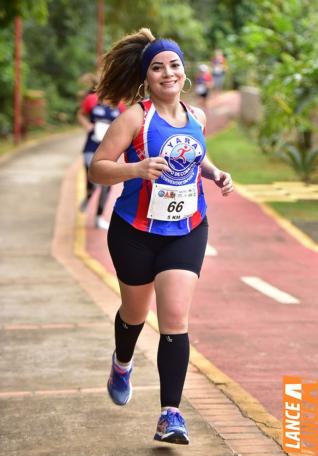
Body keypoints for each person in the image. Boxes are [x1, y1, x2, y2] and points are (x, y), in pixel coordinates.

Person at [88, 28, 233, 445]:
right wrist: (135, 169)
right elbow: (99, 167)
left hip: (186, 228)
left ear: (184, 72)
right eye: (157, 67)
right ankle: (122, 361)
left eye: (173, 65)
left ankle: (170, 415)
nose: (167, 73)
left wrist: (215, 172)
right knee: (134, 315)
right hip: (134, 232)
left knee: (174, 319)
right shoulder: (135, 117)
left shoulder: (197, 117)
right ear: (147, 78)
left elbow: (195, 155)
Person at [77, 81, 121, 229]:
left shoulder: (119, 104)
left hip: (109, 151)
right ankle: (88, 197)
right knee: (93, 180)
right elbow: (81, 115)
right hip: (91, 147)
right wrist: (87, 126)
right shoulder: (91, 99)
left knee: (106, 186)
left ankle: (99, 217)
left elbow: (124, 125)